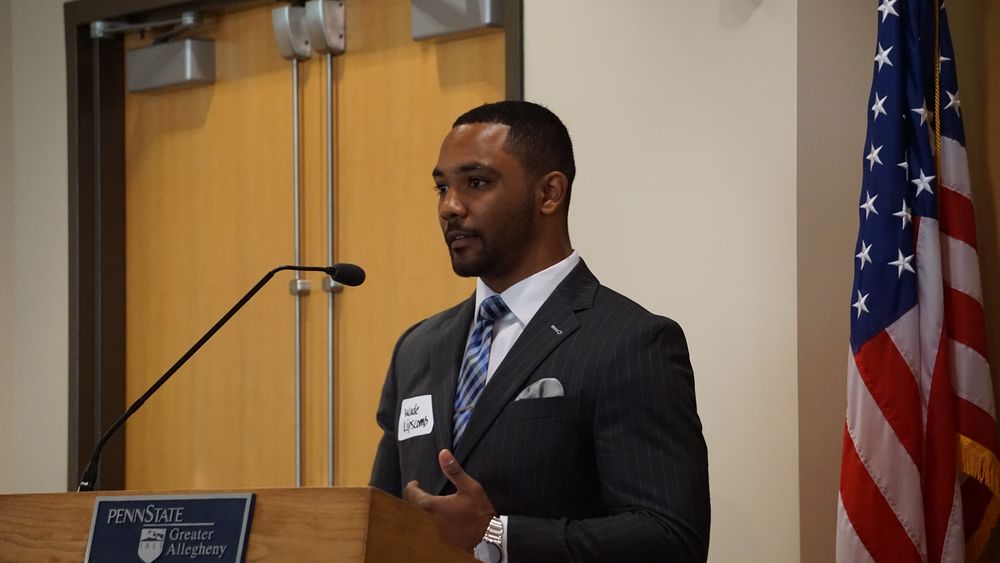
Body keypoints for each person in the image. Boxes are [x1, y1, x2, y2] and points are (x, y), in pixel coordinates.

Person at [369, 101, 710, 563]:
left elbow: (671, 538)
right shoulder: (417, 347)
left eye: (477, 183)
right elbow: (382, 515)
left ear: (549, 193)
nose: (450, 206)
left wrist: (497, 535)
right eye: (442, 187)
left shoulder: (629, 342)